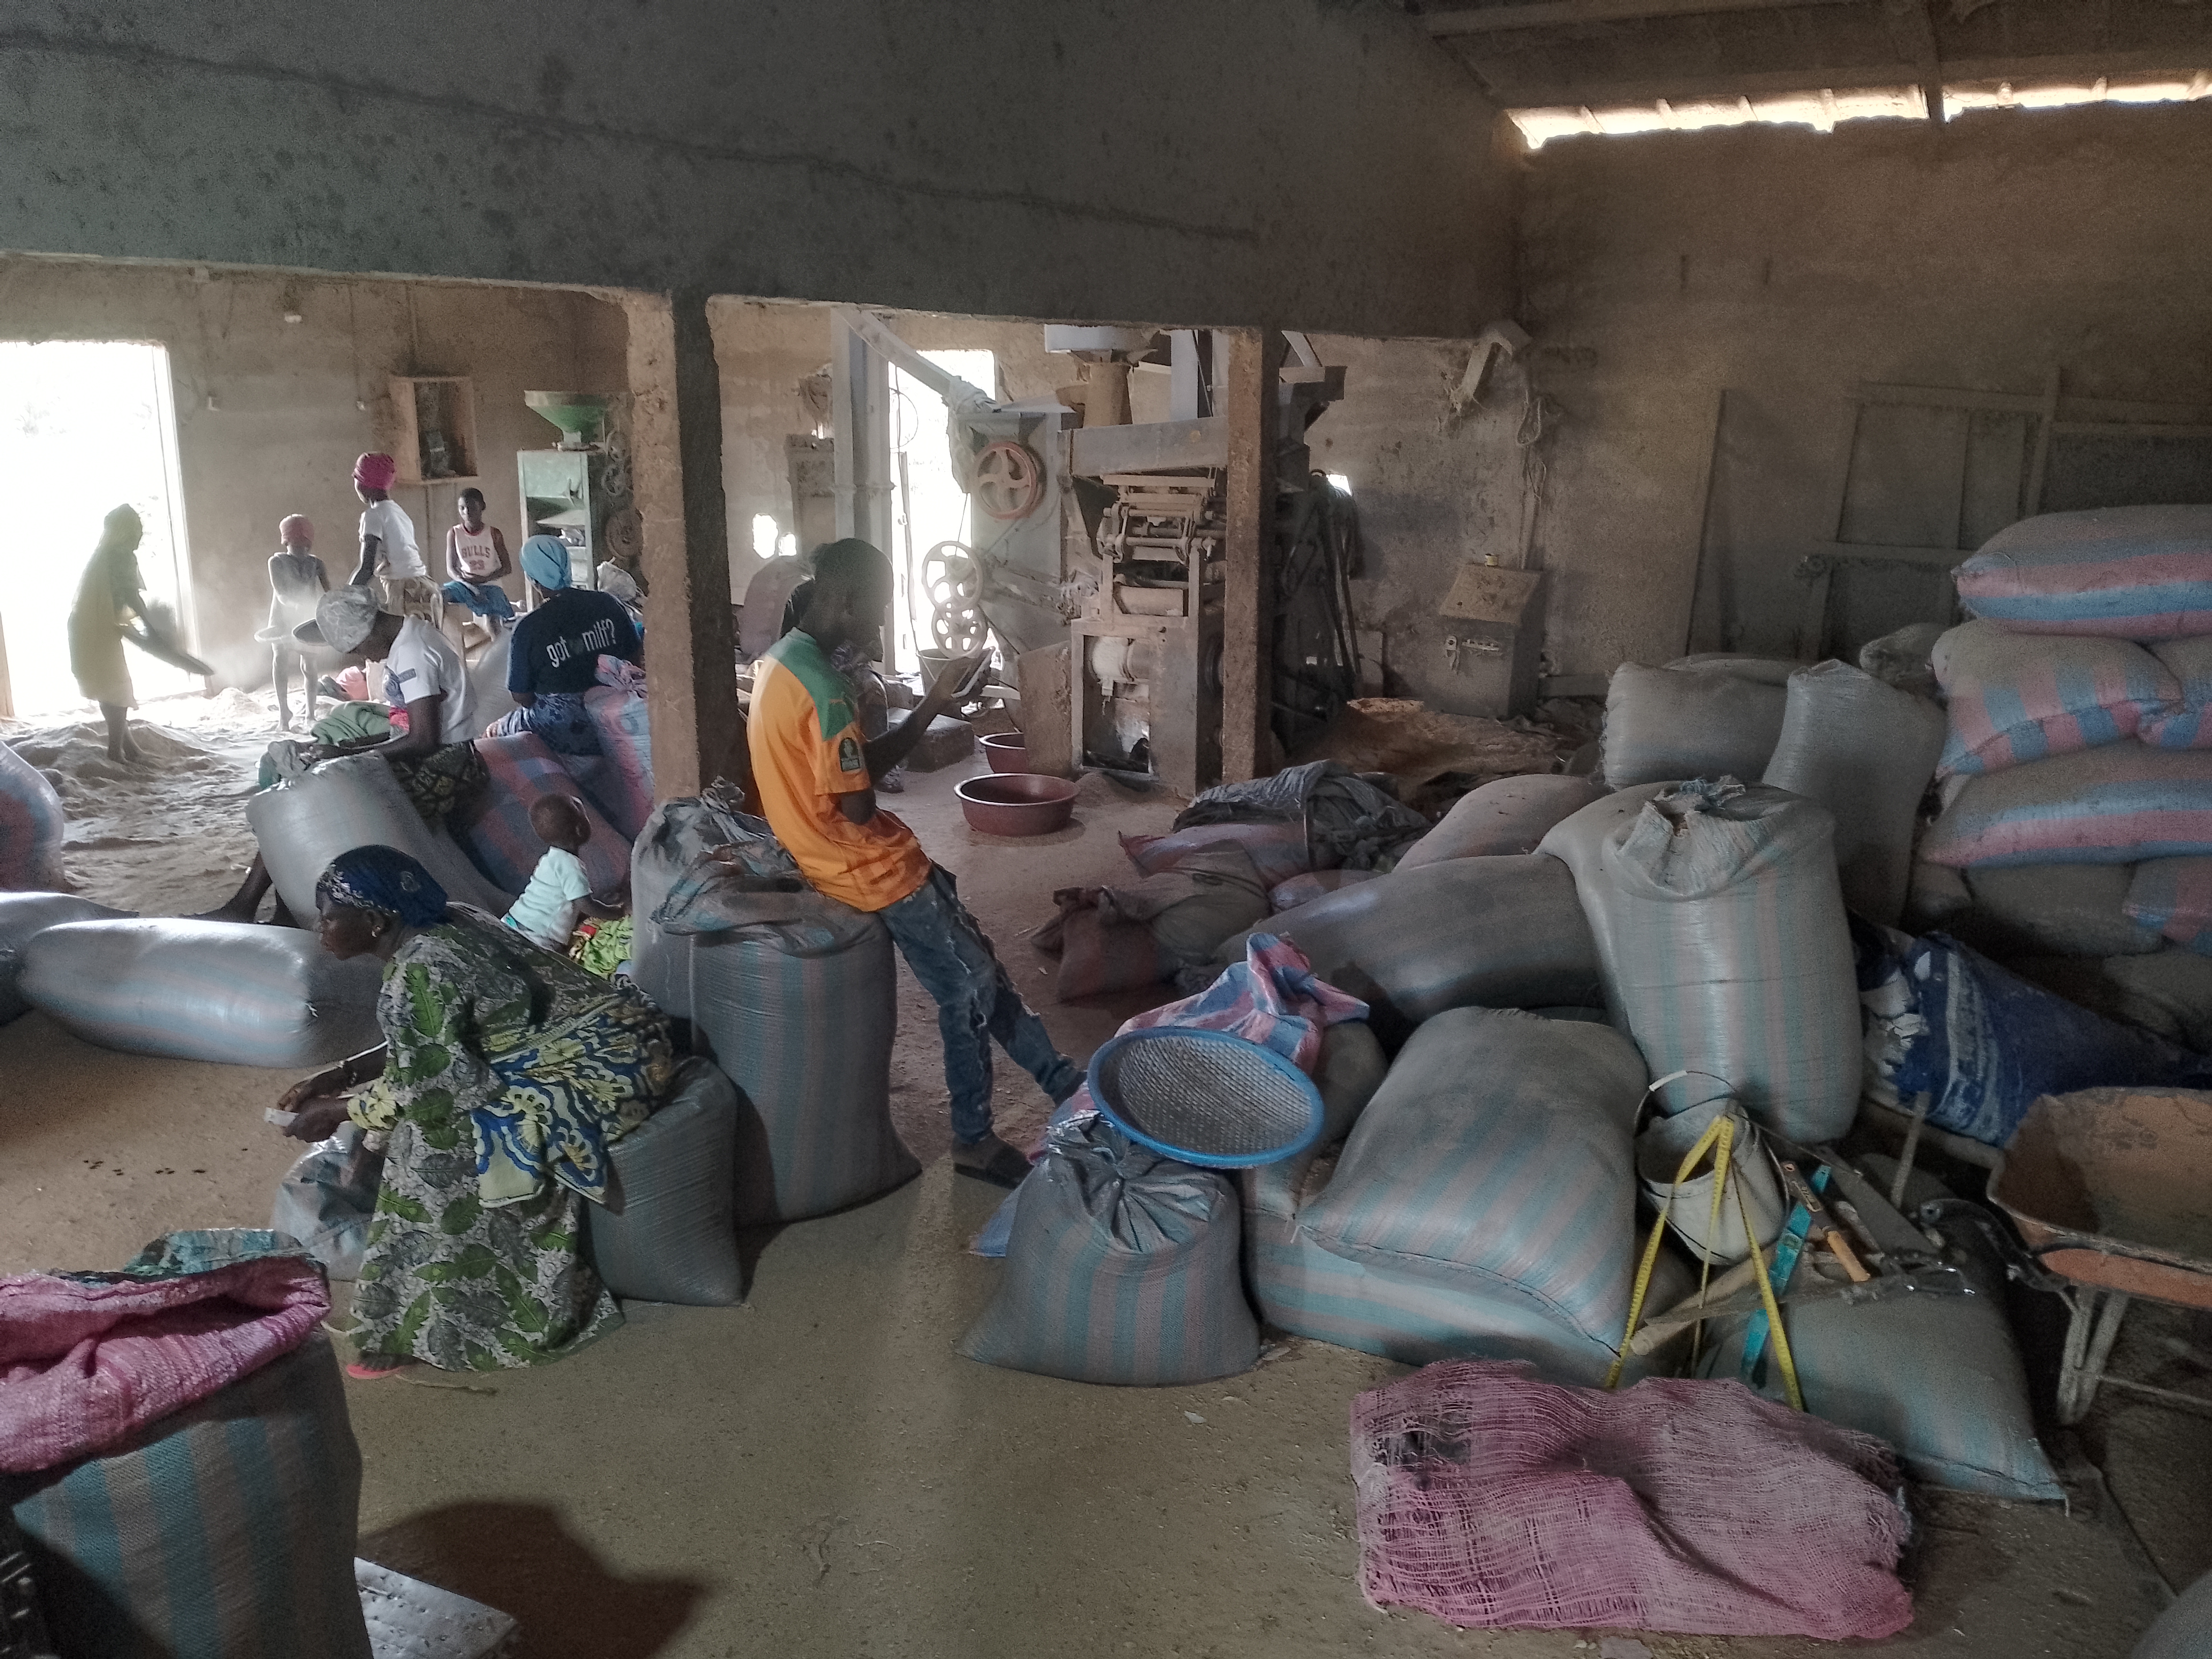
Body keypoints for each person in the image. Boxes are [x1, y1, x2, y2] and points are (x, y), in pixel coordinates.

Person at [747, 538, 1080, 1188]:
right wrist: (889, 714)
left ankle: (1063, 1082)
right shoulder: (826, 690)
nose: (877, 625)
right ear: (844, 600)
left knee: (980, 972)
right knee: (969, 991)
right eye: (873, 610)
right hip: (873, 872)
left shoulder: (781, 664)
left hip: (833, 858)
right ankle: (974, 1139)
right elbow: (861, 805)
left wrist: (929, 707)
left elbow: (847, 774)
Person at [269, 845, 673, 1376]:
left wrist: (341, 1111)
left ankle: (452, 1319)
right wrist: (342, 1074)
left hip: (598, 1070)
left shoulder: (420, 969)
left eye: (328, 917)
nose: (319, 928)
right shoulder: (454, 919)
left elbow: (440, 1086)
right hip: (629, 1040)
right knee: (404, 1124)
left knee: (437, 1146)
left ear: (373, 921)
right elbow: (435, 1038)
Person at [202, 586, 485, 923]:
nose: (366, 658)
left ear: (369, 630)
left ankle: (257, 908)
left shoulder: (414, 653)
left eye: (359, 648)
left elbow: (424, 740)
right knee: (306, 790)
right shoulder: (408, 641)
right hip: (433, 754)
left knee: (317, 804)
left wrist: (351, 757)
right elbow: (407, 729)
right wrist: (349, 748)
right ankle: (268, 908)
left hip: (447, 763)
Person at [492, 536, 641, 757]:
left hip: (567, 729)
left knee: (493, 734)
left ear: (533, 579)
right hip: (618, 716)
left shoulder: (528, 628)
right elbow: (635, 657)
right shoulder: (608, 603)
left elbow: (522, 696)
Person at [67, 505, 148, 763]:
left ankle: (130, 749)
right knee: (118, 689)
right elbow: (132, 597)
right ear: (125, 532)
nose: (141, 534)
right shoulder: (121, 557)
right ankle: (116, 752)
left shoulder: (103, 554)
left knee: (109, 690)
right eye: (136, 528)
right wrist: (154, 629)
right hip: (95, 629)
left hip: (83, 627)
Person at [503, 794, 627, 960]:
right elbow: (585, 905)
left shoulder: (549, 859)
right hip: (536, 938)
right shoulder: (571, 865)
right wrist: (617, 913)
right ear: (580, 829)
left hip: (511, 922)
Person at [348, 452, 439, 622]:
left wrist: (343, 599)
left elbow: (367, 568)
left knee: (402, 646)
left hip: (405, 592)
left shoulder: (373, 516)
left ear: (362, 483)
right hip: (426, 589)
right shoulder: (398, 512)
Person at [266, 513, 329, 733]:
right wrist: (298, 606)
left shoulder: (317, 564)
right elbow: (281, 594)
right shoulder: (277, 562)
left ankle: (310, 713)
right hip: (283, 618)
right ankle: (284, 713)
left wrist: (331, 608)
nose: (301, 547)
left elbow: (328, 592)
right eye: (296, 542)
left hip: (308, 619)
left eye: (304, 543)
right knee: (280, 661)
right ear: (287, 541)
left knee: (310, 666)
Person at [442, 487, 514, 635]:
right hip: (464, 584)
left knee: (494, 620)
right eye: (462, 508)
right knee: (440, 596)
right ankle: (448, 642)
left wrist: (485, 578)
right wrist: (465, 582)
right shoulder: (454, 534)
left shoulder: (494, 534)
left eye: (472, 508)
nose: (467, 513)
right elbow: (451, 569)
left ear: (482, 507)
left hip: (490, 584)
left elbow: (507, 568)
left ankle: (498, 649)